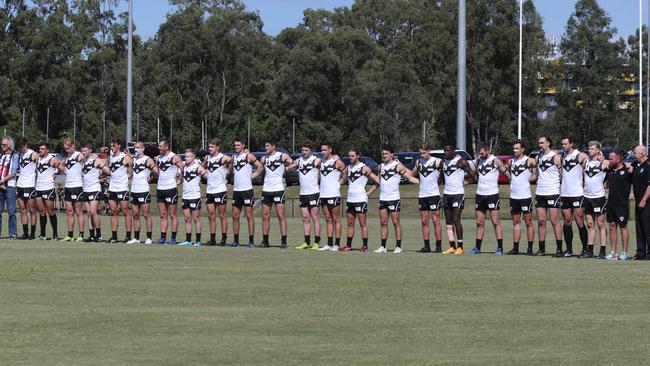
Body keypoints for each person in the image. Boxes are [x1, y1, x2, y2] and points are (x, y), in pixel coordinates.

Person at [373, 145, 419, 254]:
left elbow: (410, 177)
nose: (384, 156)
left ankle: (398, 246)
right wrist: (368, 192)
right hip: (383, 198)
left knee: (395, 222)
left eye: (386, 153)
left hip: (394, 198)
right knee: (383, 222)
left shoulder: (398, 166)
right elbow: (378, 182)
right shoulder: (380, 167)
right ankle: (383, 246)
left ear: (392, 154)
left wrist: (423, 183)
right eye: (383, 154)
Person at [470, 143, 507, 255]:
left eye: (482, 153)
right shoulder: (478, 161)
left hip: (492, 195)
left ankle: (500, 247)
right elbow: (475, 176)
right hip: (480, 194)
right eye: (479, 153)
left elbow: (507, 174)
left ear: (487, 150)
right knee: (479, 222)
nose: (480, 155)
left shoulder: (496, 161)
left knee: (495, 221)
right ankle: (477, 247)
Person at [342, 147, 379, 252]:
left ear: (358, 156)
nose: (350, 158)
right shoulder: (348, 168)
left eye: (353, 156)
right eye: (349, 156)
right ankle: (348, 245)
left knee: (362, 223)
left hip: (360, 199)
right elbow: (343, 180)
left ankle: (364, 246)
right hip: (350, 199)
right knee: (350, 223)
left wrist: (369, 193)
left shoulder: (364, 168)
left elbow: (377, 181)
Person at [441, 144, 475, 255]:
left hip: (458, 194)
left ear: (453, 151)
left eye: (448, 150)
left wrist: (466, 182)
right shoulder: (444, 161)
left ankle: (460, 247)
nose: (445, 153)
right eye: (444, 151)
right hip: (447, 194)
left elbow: (473, 176)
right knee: (448, 221)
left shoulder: (461, 161)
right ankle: (452, 246)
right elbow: (442, 177)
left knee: (456, 219)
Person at [505, 139, 537, 255]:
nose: (514, 150)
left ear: (522, 149)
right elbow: (507, 173)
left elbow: (535, 174)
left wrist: (531, 178)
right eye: (513, 148)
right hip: (514, 196)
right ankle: (515, 248)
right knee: (516, 222)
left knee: (528, 222)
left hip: (525, 196)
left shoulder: (530, 160)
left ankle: (529, 249)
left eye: (517, 148)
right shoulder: (510, 161)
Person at [258, 140, 293, 248]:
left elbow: (292, 164)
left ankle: (283, 241)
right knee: (265, 216)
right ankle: (265, 241)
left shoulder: (282, 156)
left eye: (268, 146)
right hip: (266, 189)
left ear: (274, 146)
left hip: (278, 189)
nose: (266, 148)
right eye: (265, 146)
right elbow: (259, 170)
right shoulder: (264, 158)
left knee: (280, 215)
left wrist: (286, 170)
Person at [289, 139, 322, 250]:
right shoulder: (299, 161)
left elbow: (324, 164)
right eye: (303, 150)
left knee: (315, 218)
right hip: (303, 194)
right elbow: (290, 167)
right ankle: (306, 242)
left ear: (311, 151)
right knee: (305, 218)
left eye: (306, 150)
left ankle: (317, 242)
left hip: (313, 193)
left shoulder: (316, 160)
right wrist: (285, 168)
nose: (304, 152)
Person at [230, 138, 262, 248]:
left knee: (249, 216)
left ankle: (251, 241)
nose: (236, 147)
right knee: (235, 216)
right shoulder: (233, 158)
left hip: (247, 190)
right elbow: (229, 170)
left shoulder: (249, 156)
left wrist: (253, 176)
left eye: (238, 145)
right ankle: (235, 241)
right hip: (236, 191)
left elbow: (260, 167)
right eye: (235, 145)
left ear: (243, 145)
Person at [559, 136, 588, 258]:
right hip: (565, 193)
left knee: (579, 220)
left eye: (565, 144)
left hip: (577, 193)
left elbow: (591, 164)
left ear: (571, 144)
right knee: (567, 221)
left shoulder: (581, 155)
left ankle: (585, 249)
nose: (563, 146)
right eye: (562, 144)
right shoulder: (562, 156)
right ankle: (569, 249)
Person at [534, 136, 564, 256]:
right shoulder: (538, 157)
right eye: (539, 143)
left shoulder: (556, 157)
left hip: (552, 191)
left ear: (548, 143)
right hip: (540, 192)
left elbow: (562, 175)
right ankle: (541, 249)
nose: (540, 145)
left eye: (542, 143)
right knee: (541, 221)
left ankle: (559, 249)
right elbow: (536, 174)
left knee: (554, 221)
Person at [412, 144, 443, 253]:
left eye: (424, 153)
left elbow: (446, 172)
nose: (422, 155)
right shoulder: (418, 162)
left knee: (435, 220)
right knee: (424, 221)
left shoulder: (438, 161)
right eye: (420, 153)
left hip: (434, 195)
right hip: (422, 195)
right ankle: (426, 246)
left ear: (429, 151)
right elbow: (412, 174)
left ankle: (438, 246)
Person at [581, 141, 609, 259]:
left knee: (600, 224)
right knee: (590, 224)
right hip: (587, 197)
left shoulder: (603, 162)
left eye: (592, 148)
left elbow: (612, 165)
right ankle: (590, 250)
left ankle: (602, 250)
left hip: (598, 197)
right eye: (589, 148)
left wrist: (604, 159)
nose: (589, 150)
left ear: (598, 150)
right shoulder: (586, 162)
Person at [101, 138, 132, 243]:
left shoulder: (125, 157)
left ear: (119, 146)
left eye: (113, 146)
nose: (112, 148)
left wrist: (124, 179)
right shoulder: (110, 158)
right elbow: (109, 172)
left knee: (125, 211)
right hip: (112, 188)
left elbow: (130, 172)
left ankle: (128, 236)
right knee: (113, 211)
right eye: (111, 146)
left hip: (122, 188)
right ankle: (114, 236)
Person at [317, 143, 346, 252]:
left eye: (325, 150)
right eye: (321, 150)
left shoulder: (337, 162)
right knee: (328, 219)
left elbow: (346, 172)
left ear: (330, 150)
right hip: (323, 194)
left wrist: (340, 182)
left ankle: (337, 244)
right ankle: (329, 243)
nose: (322, 152)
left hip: (333, 194)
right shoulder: (321, 162)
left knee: (336, 219)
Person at [604, 150, 632, 260]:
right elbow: (605, 183)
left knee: (623, 227)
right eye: (609, 158)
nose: (609, 160)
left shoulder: (627, 171)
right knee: (612, 227)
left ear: (618, 159)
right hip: (611, 203)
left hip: (622, 204)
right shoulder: (609, 171)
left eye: (611, 158)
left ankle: (624, 253)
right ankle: (613, 252)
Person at [203, 138, 231, 246]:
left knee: (222, 215)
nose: (210, 149)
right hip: (210, 190)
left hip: (220, 190)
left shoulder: (223, 157)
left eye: (212, 147)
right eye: (209, 147)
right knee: (211, 215)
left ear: (217, 147)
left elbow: (232, 162)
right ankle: (212, 239)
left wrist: (228, 177)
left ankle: (223, 239)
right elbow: (202, 168)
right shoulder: (208, 158)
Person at [155, 138, 183, 244]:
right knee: (162, 214)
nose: (159, 148)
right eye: (159, 146)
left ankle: (173, 238)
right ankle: (162, 238)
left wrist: (179, 179)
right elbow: (158, 171)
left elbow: (183, 168)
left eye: (161, 146)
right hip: (160, 189)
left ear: (166, 147)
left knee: (172, 214)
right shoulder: (158, 158)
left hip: (171, 189)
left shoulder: (174, 157)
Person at [129, 141, 158, 244]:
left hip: (144, 190)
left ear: (142, 149)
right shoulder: (133, 160)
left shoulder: (148, 160)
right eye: (134, 148)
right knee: (135, 215)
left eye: (137, 147)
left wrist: (151, 177)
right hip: (134, 190)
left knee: (146, 214)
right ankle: (136, 238)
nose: (135, 149)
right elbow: (130, 174)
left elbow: (157, 172)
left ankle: (149, 238)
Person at [177, 149, 206, 246]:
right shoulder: (184, 168)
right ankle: (188, 241)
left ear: (193, 157)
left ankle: (198, 241)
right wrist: (173, 184)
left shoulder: (198, 167)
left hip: (195, 196)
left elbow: (207, 177)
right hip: (185, 196)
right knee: (187, 219)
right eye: (185, 156)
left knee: (196, 218)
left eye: (188, 156)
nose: (186, 158)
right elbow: (180, 180)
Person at [58, 138, 84, 241]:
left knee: (78, 211)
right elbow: (61, 165)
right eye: (65, 149)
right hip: (68, 186)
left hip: (77, 186)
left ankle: (81, 235)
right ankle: (70, 235)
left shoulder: (79, 155)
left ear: (73, 146)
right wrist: (60, 171)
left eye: (68, 148)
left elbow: (89, 158)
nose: (67, 150)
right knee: (69, 211)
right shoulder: (66, 157)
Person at [35, 142, 61, 240]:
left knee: (50, 211)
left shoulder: (52, 158)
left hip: (48, 188)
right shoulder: (38, 159)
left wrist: (56, 173)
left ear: (47, 150)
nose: (40, 150)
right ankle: (42, 234)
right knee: (41, 211)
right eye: (40, 148)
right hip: (38, 188)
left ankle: (55, 234)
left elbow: (61, 166)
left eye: (42, 149)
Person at [79, 144, 105, 242]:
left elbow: (105, 169)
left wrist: (101, 176)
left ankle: (99, 235)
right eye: (82, 150)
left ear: (90, 150)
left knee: (93, 212)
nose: (83, 152)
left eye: (85, 150)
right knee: (89, 213)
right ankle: (91, 235)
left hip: (94, 189)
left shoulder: (96, 159)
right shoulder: (83, 160)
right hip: (85, 189)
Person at [15, 137, 38, 240]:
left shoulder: (33, 154)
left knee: (32, 210)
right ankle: (25, 233)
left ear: (25, 145)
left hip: (30, 185)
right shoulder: (20, 155)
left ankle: (32, 234)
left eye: (21, 147)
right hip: (20, 185)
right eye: (19, 148)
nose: (20, 149)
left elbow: (42, 164)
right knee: (22, 209)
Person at [631, 145, 650, 260]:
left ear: (642, 154)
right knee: (639, 228)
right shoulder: (637, 166)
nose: (634, 155)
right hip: (639, 202)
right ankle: (641, 252)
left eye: (635, 153)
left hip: (646, 203)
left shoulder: (648, 166)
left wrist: (643, 200)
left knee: (647, 228)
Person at [0, 136, 19, 239]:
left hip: (10, 187)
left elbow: (13, 172)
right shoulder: (0, 155)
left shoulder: (15, 155)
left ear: (10, 145)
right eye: (2, 144)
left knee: (11, 211)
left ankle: (13, 233)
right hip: (0, 187)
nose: (2, 146)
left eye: (4, 145)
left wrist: (3, 180)